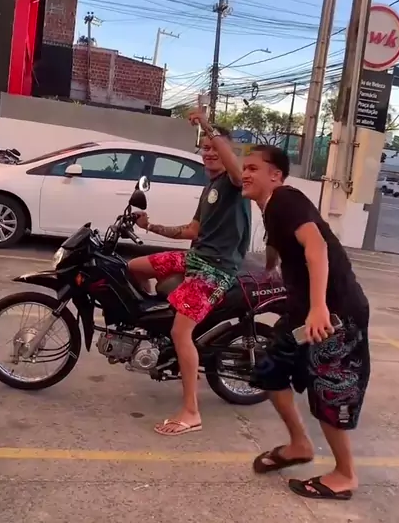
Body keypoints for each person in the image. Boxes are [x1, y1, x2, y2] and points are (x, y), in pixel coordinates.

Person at [241, 145, 370, 501]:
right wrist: (270, 271)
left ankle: (345, 475)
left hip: (335, 314)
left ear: (276, 175)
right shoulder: (271, 207)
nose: (245, 174)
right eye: (243, 168)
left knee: (329, 388)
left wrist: (318, 307)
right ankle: (300, 444)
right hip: (303, 313)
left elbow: (316, 247)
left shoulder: (285, 199)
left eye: (253, 168)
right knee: (269, 370)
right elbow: (283, 246)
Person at [129, 111, 251, 437]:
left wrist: (206, 125)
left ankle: (191, 412)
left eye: (215, 147)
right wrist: (150, 226)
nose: (209, 152)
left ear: (227, 151)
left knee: (180, 332)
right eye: (205, 148)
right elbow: (192, 230)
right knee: (134, 267)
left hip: (216, 269)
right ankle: (161, 330)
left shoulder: (235, 184)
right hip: (195, 258)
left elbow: (236, 169)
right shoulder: (210, 186)